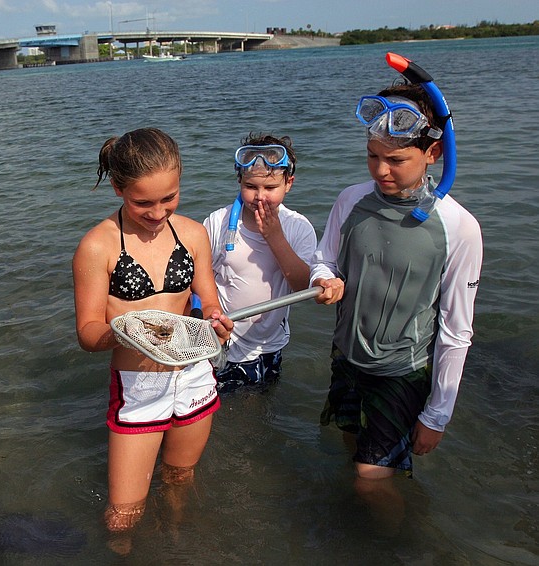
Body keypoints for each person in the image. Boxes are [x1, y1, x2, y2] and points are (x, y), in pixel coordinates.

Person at [311, 83, 482, 507]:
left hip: (402, 370)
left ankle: (399, 545)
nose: (381, 171)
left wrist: (436, 415)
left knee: (370, 480)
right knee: (352, 450)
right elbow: (324, 259)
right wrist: (323, 280)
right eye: (373, 156)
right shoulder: (351, 200)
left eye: (396, 160)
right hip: (347, 359)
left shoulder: (458, 227)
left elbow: (456, 331)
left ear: (433, 154)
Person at [72, 128, 232, 541]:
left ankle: (175, 541)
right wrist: (123, 333)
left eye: (169, 198)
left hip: (194, 372)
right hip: (138, 385)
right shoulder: (97, 246)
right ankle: (123, 550)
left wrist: (218, 321)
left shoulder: (193, 235)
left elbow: (210, 301)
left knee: (180, 476)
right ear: (117, 187)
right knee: (124, 511)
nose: (158, 212)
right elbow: (88, 334)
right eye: (142, 202)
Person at [203, 134, 316, 392]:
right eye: (251, 187)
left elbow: (301, 286)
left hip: (271, 342)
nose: (260, 197)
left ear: (289, 183)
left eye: (270, 188)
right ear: (239, 181)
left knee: (262, 403)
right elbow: (201, 278)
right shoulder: (218, 223)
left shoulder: (299, 227)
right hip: (226, 341)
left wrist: (274, 237)